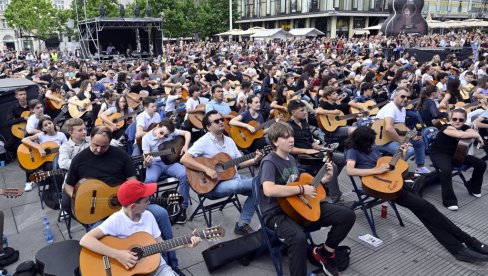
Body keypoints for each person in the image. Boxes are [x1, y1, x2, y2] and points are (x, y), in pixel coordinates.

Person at [346, 126, 488, 263]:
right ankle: (468, 241)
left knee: (427, 213)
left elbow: (392, 167)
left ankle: (458, 249)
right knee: (429, 210)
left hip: (395, 181)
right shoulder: (353, 151)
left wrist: (404, 153)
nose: (374, 143)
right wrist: (375, 171)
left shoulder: (371, 147)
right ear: (362, 142)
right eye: (371, 141)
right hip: (383, 187)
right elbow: (350, 171)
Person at [62, 126, 185, 274]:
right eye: (96, 145)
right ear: (90, 138)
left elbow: (132, 180)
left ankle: (169, 263)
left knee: (161, 213)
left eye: (104, 146)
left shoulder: (120, 154)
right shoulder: (79, 159)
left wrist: (130, 197)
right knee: (95, 236)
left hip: (128, 202)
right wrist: (81, 201)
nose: (99, 150)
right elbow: (68, 186)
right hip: (98, 212)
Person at [259, 122, 355, 276]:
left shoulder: (290, 159)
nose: (291, 140)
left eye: (291, 136)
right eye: (285, 137)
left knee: (347, 215)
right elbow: (269, 190)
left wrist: (325, 179)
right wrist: (302, 189)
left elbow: (303, 186)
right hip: (275, 212)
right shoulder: (269, 161)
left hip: (299, 206)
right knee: (298, 238)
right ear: (275, 141)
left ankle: (325, 251)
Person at [79, 179, 201, 276]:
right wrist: (118, 255)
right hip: (130, 271)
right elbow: (85, 240)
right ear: (133, 206)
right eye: (146, 201)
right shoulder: (116, 220)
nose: (149, 203)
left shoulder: (148, 216)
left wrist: (186, 244)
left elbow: (161, 244)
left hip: (157, 268)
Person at [180, 110, 262, 235]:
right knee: (258, 182)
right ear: (208, 127)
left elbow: (238, 164)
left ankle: (242, 224)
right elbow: (184, 159)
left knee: (257, 189)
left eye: (221, 120)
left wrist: (254, 160)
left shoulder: (229, 140)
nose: (221, 122)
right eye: (216, 121)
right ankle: (264, 181)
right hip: (213, 185)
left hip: (233, 177)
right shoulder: (203, 141)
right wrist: (206, 169)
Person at [287, 100, 348, 205]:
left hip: (313, 153)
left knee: (342, 159)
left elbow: (311, 143)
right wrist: (307, 150)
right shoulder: (288, 127)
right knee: (331, 166)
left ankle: (328, 184)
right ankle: (336, 199)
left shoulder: (304, 122)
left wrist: (324, 148)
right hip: (301, 158)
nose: (305, 112)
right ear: (293, 112)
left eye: (305, 110)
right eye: (302, 110)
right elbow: (289, 149)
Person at [429, 108, 486, 211]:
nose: (457, 121)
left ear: (464, 120)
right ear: (451, 119)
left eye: (461, 120)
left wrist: (475, 133)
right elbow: (460, 135)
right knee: (446, 171)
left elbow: (470, 130)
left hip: (456, 154)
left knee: (481, 163)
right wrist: (477, 135)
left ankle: (473, 186)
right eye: (454, 119)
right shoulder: (446, 127)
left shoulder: (464, 127)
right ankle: (449, 201)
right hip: (440, 154)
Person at [142, 118, 191, 224]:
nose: (162, 136)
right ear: (157, 126)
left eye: (165, 135)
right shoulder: (146, 138)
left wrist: (185, 146)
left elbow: (187, 133)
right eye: (161, 133)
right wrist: (147, 162)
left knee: (185, 174)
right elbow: (146, 159)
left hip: (170, 162)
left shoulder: (170, 132)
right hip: (155, 164)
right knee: (150, 180)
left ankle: (182, 207)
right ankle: (145, 207)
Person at [375, 87, 430, 174]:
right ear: (395, 97)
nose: (406, 99)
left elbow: (401, 126)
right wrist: (402, 142)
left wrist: (413, 134)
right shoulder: (391, 108)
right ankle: (394, 169)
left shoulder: (402, 108)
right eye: (403, 96)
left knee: (419, 141)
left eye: (408, 97)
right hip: (382, 140)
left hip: (391, 137)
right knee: (408, 149)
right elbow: (388, 128)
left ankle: (420, 167)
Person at [21, 116, 67, 192]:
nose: (49, 126)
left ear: (53, 123)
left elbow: (67, 147)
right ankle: (60, 192)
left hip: (59, 159)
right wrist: (39, 148)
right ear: (42, 129)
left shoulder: (61, 135)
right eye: (45, 125)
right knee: (56, 169)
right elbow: (24, 140)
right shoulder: (41, 135)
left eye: (50, 123)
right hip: (47, 162)